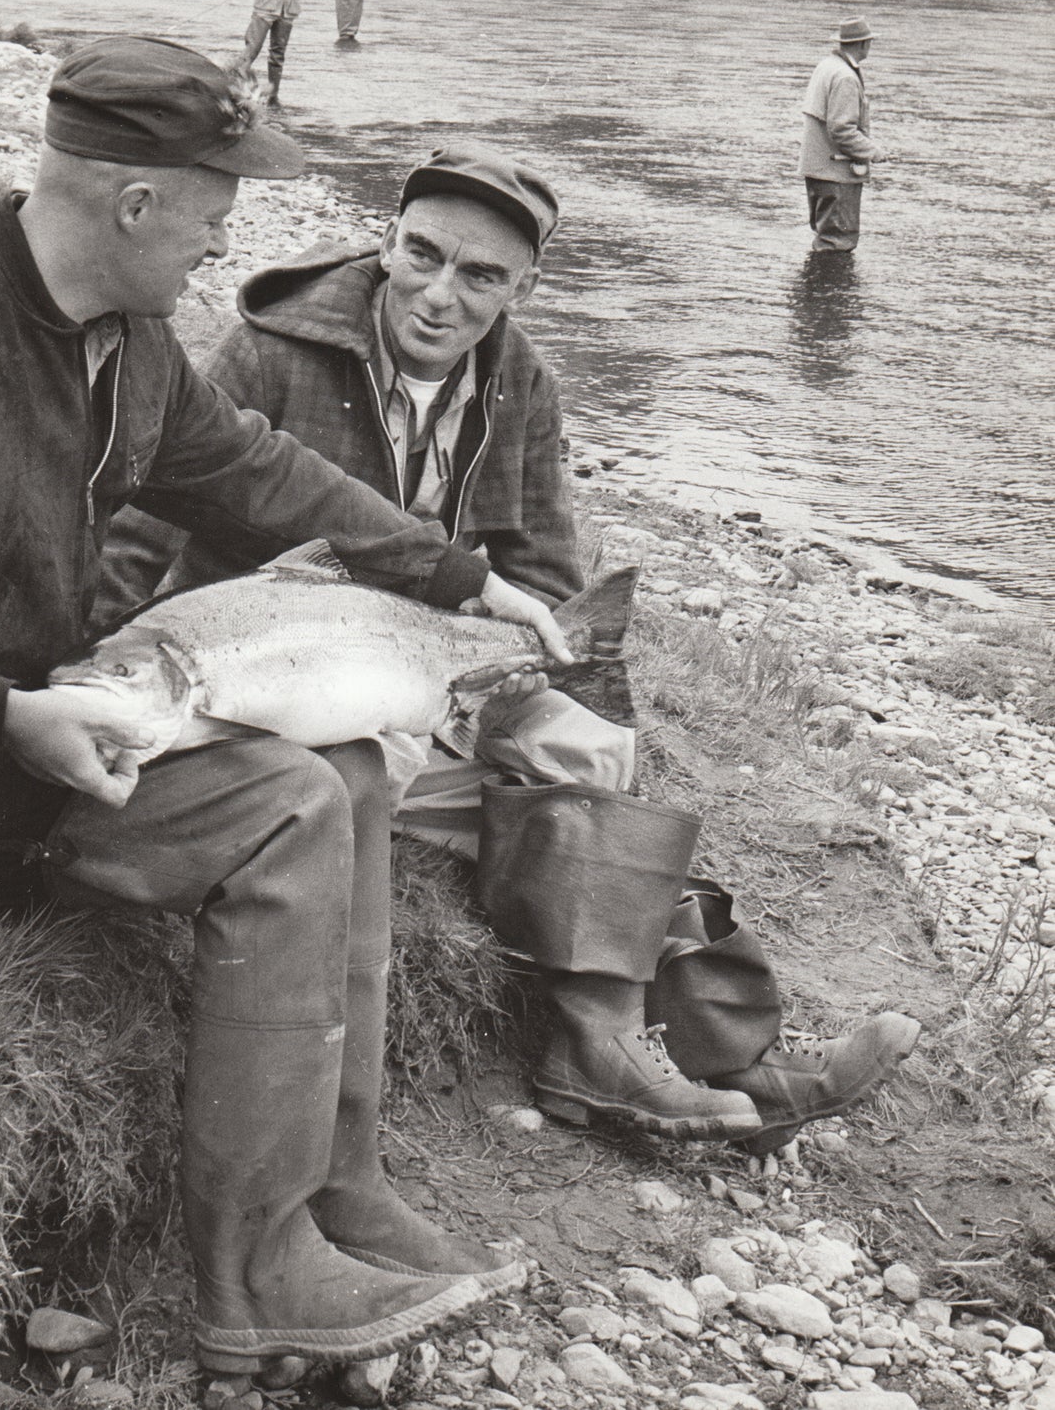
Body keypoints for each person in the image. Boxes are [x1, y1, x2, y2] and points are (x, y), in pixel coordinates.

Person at [0, 43, 584, 1369]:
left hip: (36, 728)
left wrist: (460, 577)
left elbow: (260, 476)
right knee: (287, 805)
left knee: (345, 770)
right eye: (216, 214)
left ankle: (336, 1174)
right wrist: (3, 713)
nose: (222, 248)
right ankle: (257, 1275)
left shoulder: (126, 338)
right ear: (131, 205)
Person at [100, 143, 921, 1156]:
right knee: (546, 812)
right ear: (388, 239)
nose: (439, 294)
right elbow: (138, 524)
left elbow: (539, 566)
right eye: (421, 253)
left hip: (433, 672)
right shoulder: (271, 348)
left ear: (522, 288)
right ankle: (682, 1055)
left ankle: (674, 1052)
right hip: (281, 694)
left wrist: (543, 665)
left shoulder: (517, 375)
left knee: (589, 755)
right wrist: (90, 675)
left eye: (479, 275)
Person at [801, 16, 882, 251]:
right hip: (836, 172)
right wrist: (872, 151)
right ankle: (830, 288)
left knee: (826, 236)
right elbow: (841, 129)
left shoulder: (827, 66)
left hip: (818, 169)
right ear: (863, 44)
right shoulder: (845, 76)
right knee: (837, 242)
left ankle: (815, 287)